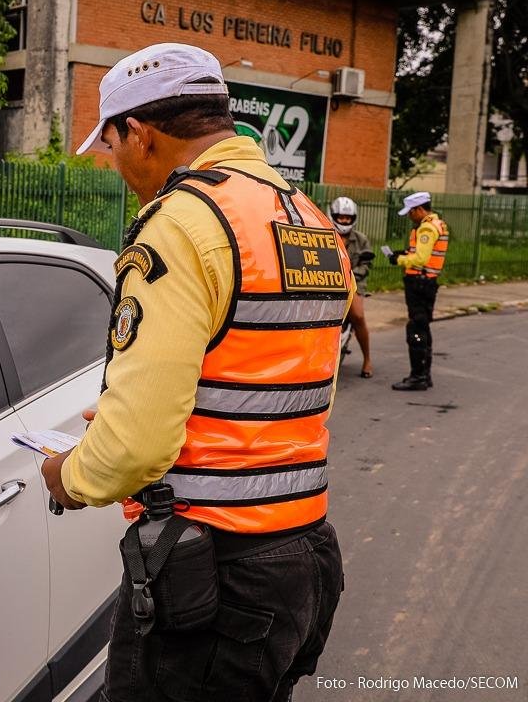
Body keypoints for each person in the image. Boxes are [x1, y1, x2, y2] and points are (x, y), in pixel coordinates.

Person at [40, 43, 349, 702]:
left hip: (215, 577)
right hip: (304, 559)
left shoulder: (183, 223)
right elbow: (278, 386)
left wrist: (68, 475)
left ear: (140, 133)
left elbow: (136, 446)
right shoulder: (308, 221)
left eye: (110, 143)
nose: (113, 161)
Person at [388, 191, 448, 391]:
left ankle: (418, 377)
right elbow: (423, 255)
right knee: (422, 327)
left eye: (410, 212)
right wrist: (405, 253)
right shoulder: (437, 224)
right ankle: (424, 375)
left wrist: (399, 260)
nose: (409, 216)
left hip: (420, 284)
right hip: (427, 282)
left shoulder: (427, 229)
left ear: (419, 209)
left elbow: (421, 259)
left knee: (415, 328)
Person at [330, 196, 374, 377]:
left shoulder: (361, 239)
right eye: (341, 217)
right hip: (331, 283)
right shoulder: (326, 234)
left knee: (357, 315)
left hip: (354, 284)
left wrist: (351, 277)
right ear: (334, 215)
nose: (344, 221)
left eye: (348, 218)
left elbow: (366, 264)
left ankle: (367, 360)